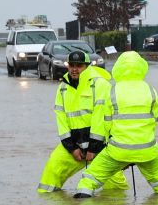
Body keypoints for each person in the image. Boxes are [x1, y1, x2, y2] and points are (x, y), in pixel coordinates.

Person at [75, 51, 158, 198]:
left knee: (89, 179)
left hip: (118, 149)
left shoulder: (113, 91)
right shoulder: (150, 90)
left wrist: (110, 142)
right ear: (141, 67)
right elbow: (154, 119)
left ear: (118, 68)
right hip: (148, 149)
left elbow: (106, 122)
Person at [36, 50, 127, 193]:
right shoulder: (63, 88)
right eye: (71, 65)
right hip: (74, 146)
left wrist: (93, 148)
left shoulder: (100, 85)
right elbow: (61, 120)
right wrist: (71, 148)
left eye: (79, 66)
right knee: (52, 172)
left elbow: (101, 118)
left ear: (87, 66)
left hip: (101, 147)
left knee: (116, 189)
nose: (74, 69)